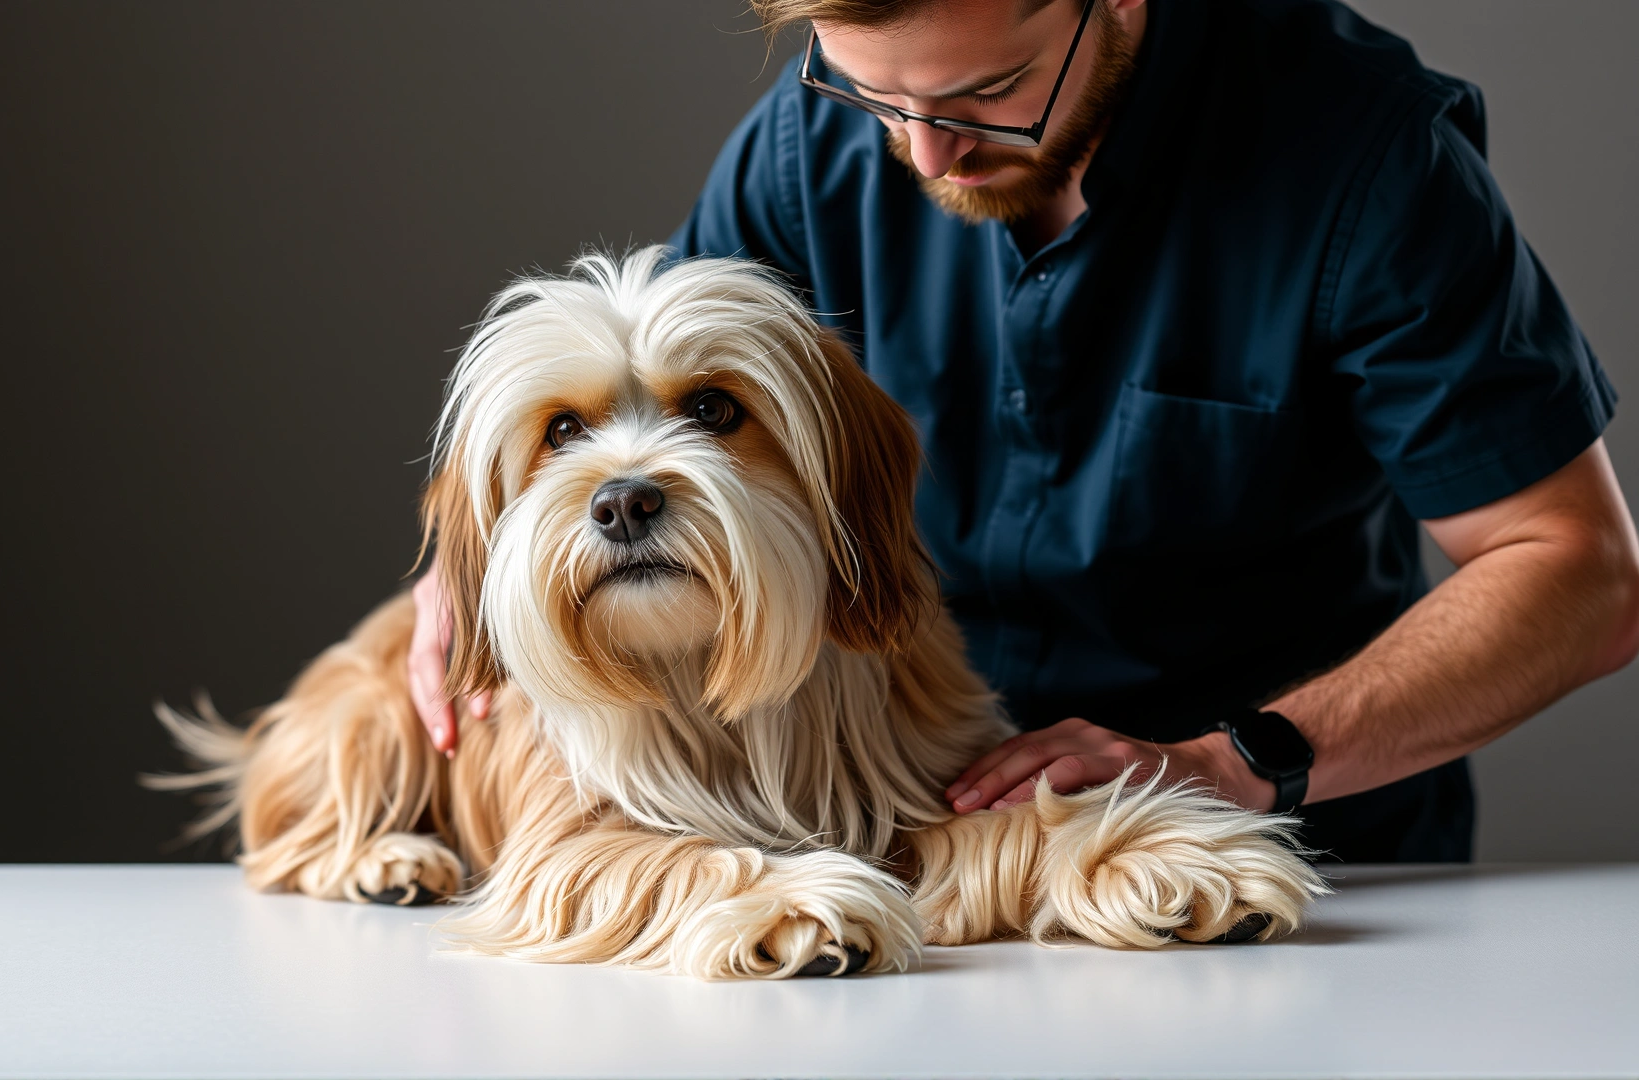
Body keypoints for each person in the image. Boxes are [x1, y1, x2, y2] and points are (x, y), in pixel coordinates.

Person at [409, 0, 1639, 861]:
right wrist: (493, 554)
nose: (926, 152)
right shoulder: (808, 146)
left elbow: (1578, 572)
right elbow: (661, 418)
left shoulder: (1365, 160)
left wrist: (1229, 763)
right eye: (876, 96)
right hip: (919, 841)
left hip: (1277, 859)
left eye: (989, 92)